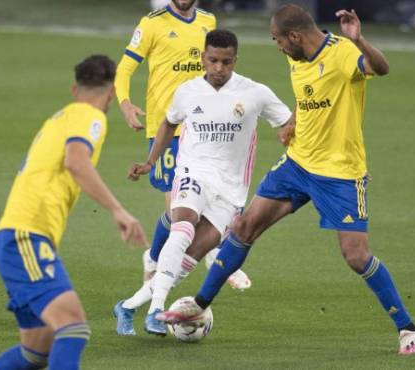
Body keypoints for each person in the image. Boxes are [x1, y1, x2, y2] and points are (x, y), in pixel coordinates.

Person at [158, 5, 415, 355]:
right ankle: (198, 302)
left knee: (356, 256)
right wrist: (293, 125)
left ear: (295, 36)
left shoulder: (343, 55)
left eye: (279, 40)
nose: (278, 46)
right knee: (243, 227)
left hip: (339, 174)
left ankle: (408, 329)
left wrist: (359, 40)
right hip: (298, 165)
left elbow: (381, 68)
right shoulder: (297, 59)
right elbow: (309, 98)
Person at [116, 29, 292, 336]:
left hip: (231, 191)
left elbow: (290, 123)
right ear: (203, 58)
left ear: (236, 60)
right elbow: (169, 122)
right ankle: (157, 309)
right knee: (181, 228)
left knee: (186, 262)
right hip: (192, 173)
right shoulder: (187, 91)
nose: (219, 68)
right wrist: (150, 162)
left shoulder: (255, 93)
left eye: (226, 62)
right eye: (213, 60)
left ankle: (128, 307)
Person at [0, 55, 148, 370]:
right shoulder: (90, 117)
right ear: (112, 93)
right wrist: (119, 210)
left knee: (35, 353)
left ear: (75, 89)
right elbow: (76, 161)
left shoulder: (58, 118)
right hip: (26, 237)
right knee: (73, 327)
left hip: (18, 236)